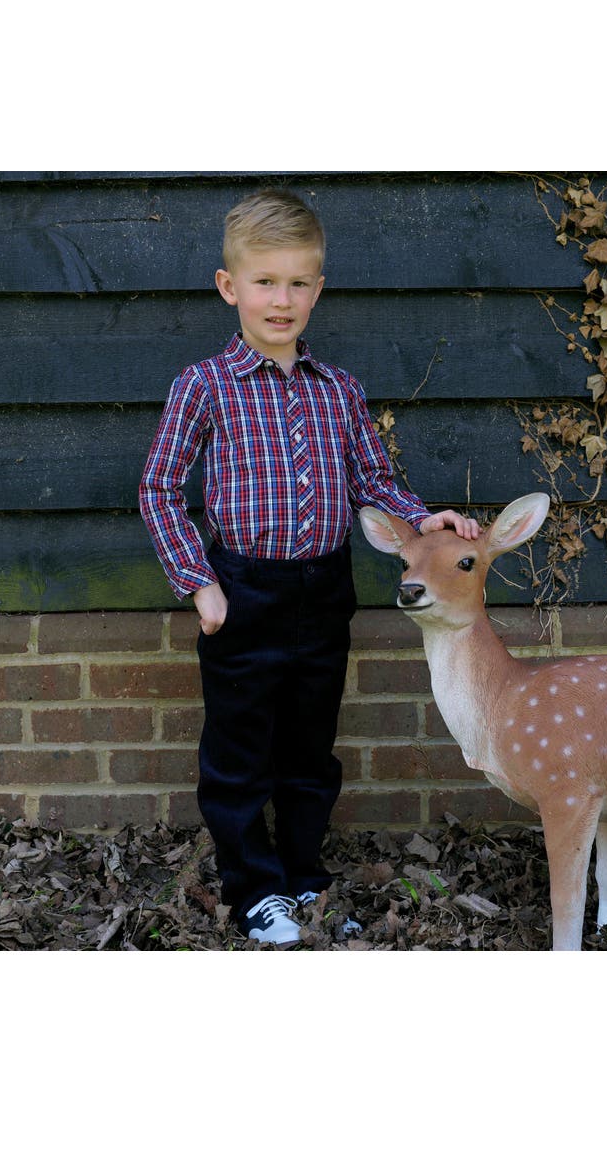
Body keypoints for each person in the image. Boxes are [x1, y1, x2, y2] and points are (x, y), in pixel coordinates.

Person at [139, 189, 479, 947]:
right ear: (230, 287)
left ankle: (300, 876)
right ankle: (254, 888)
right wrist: (200, 582)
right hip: (242, 592)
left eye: (298, 283)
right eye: (264, 282)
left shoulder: (340, 391)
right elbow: (159, 487)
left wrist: (424, 519)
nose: (281, 300)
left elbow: (373, 481)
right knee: (238, 753)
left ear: (318, 288)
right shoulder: (205, 386)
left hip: (324, 591)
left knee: (307, 748)